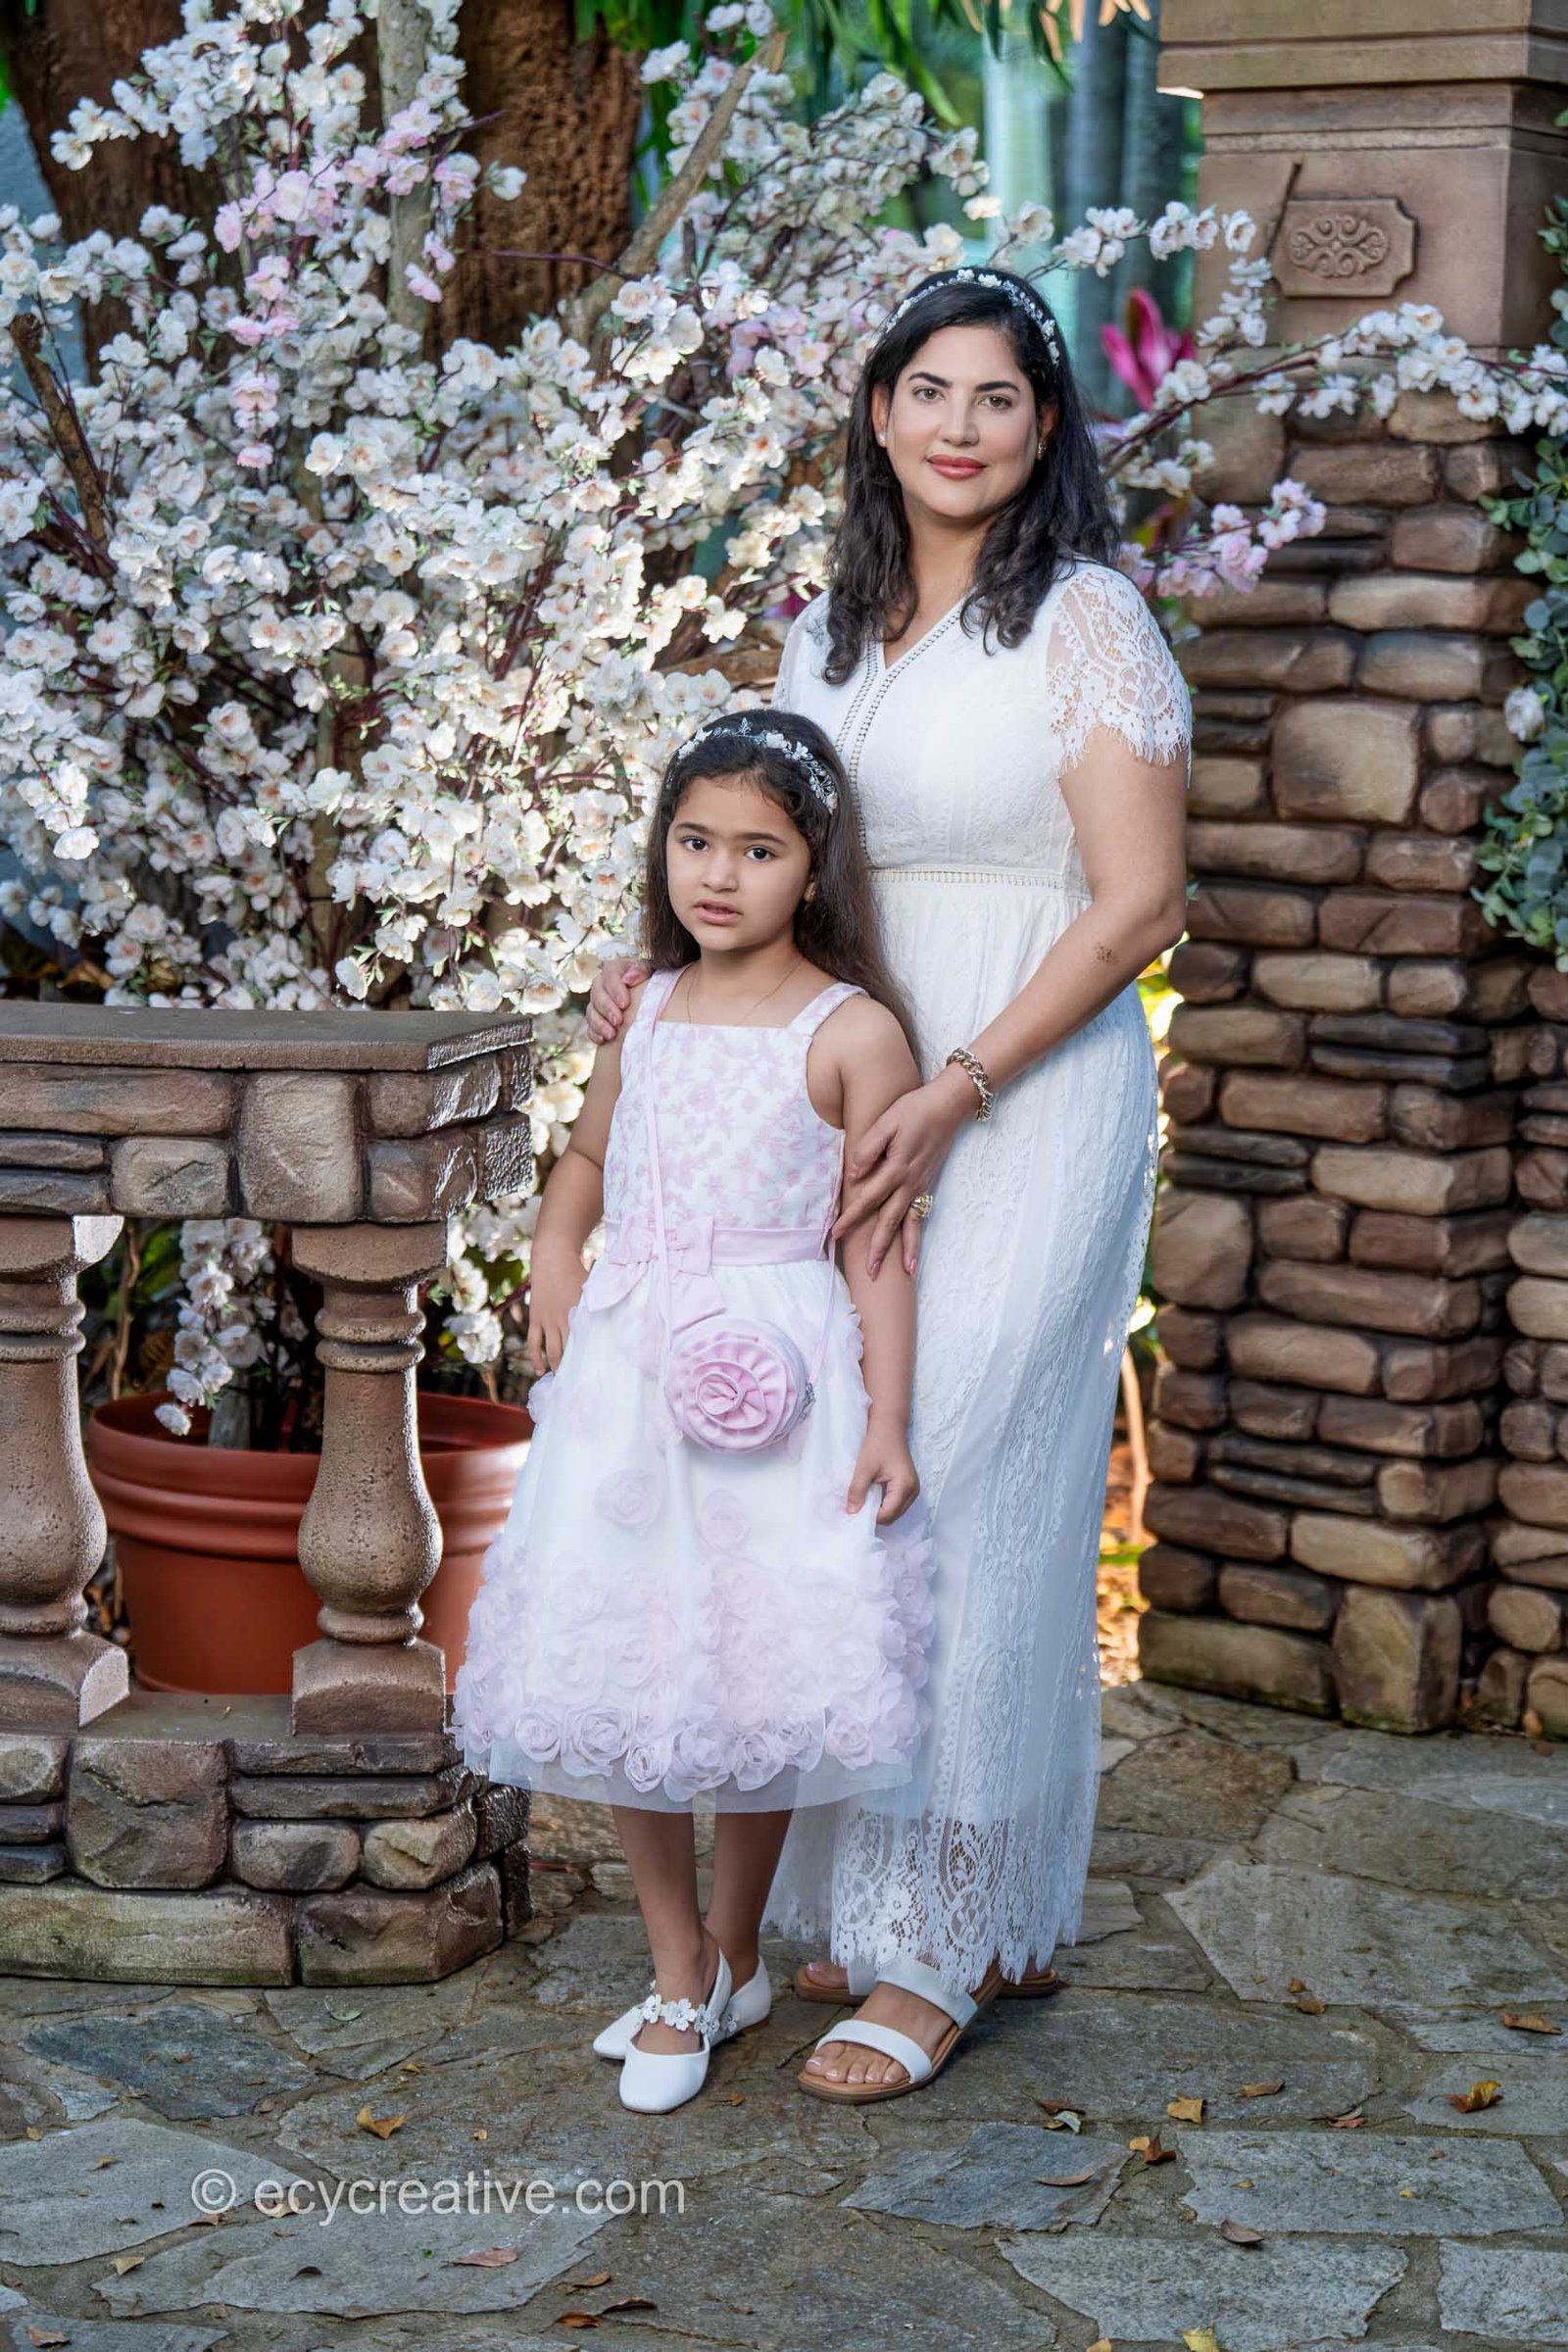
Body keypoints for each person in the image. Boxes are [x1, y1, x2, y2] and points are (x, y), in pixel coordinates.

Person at [587, 263, 1191, 2103]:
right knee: (852, 1471)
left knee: (973, 1484)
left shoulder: (1086, 621)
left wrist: (961, 1086)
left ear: (1045, 426)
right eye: (928, 391)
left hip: (1025, 1092)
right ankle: (880, 1901)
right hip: (849, 1093)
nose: (959, 427)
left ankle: (936, 1946)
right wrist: (667, 985)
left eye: (998, 397)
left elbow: (1141, 903)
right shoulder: (828, 636)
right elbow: (768, 859)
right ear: (877, 410)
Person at [453, 707, 936, 2115]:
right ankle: (675, 1965)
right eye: (695, 841)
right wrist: (557, 1249)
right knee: (630, 1653)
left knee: (753, 1667)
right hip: (631, 1372)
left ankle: (734, 1952)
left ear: (817, 867)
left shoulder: (854, 1033)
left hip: (782, 1372)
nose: (720, 875)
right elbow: (590, 1152)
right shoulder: (646, 1008)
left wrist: (888, 1420)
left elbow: (879, 1243)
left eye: (760, 850)